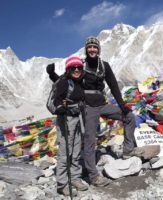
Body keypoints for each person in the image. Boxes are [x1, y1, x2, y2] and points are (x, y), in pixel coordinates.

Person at [47, 36, 144, 187]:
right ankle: (93, 176)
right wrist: (53, 75)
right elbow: (67, 81)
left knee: (129, 116)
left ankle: (128, 150)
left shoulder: (104, 66)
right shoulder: (81, 65)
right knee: (90, 140)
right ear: (86, 49)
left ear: (99, 49)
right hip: (87, 107)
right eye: (89, 47)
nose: (92, 49)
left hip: (103, 103)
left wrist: (122, 105)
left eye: (95, 47)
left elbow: (113, 86)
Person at [51, 56, 88, 196]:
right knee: (65, 152)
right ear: (68, 69)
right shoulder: (64, 82)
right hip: (66, 119)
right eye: (73, 68)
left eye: (79, 67)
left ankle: (75, 178)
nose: (77, 70)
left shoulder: (80, 82)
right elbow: (57, 99)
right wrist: (60, 107)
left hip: (78, 119)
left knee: (77, 149)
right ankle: (62, 184)